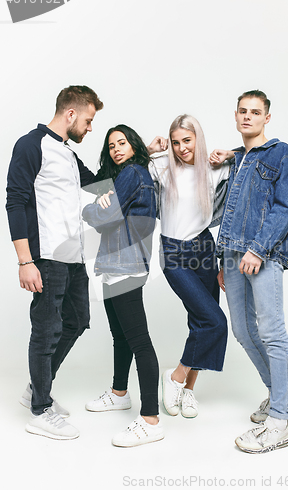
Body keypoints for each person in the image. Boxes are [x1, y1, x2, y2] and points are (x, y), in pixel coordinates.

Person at [6, 85, 104, 440]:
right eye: (89, 121)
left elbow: (96, 184)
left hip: (72, 257)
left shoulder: (66, 153)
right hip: (45, 257)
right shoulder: (32, 145)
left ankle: (36, 388)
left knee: (76, 320)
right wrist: (24, 261)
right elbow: (15, 201)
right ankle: (40, 409)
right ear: (71, 114)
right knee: (46, 331)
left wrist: (144, 158)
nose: (90, 129)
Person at [210, 90, 288, 453]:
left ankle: (280, 420)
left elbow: (285, 209)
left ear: (267, 118)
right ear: (236, 116)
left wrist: (258, 250)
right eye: (243, 111)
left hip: (262, 254)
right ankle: (281, 394)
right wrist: (222, 259)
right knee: (243, 330)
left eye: (256, 112)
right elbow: (228, 212)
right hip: (232, 255)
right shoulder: (237, 159)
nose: (248, 117)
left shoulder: (284, 155)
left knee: (271, 330)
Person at [82, 125, 164, 447]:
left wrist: (92, 209)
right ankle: (119, 393)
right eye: (111, 145)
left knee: (139, 341)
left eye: (122, 142)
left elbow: (104, 218)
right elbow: (109, 209)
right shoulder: (129, 174)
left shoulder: (131, 173)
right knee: (121, 336)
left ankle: (151, 419)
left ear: (133, 146)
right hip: (119, 264)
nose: (116, 148)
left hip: (125, 264)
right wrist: (101, 203)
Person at [148, 114, 231, 419]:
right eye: (176, 142)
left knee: (200, 321)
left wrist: (232, 153)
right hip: (173, 254)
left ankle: (188, 390)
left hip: (204, 249)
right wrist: (147, 149)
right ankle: (175, 376)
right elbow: (127, 171)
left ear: (198, 139)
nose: (182, 148)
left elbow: (250, 162)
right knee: (215, 321)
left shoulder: (215, 168)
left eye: (187, 140)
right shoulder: (160, 166)